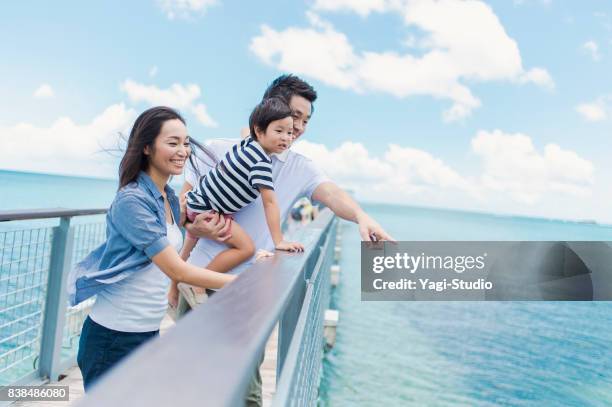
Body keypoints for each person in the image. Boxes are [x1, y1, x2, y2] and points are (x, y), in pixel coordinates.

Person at [175, 75, 393, 407]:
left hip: (248, 290)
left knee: (245, 393)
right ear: (269, 110)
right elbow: (182, 211)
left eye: (306, 121)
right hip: (200, 279)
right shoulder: (218, 150)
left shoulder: (298, 167)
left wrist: (361, 216)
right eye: (295, 117)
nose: (300, 127)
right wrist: (196, 227)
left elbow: (331, 194)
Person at [67, 106, 236, 391]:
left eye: (185, 143)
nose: (183, 150)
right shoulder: (131, 200)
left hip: (145, 334)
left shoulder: (168, 197)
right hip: (113, 339)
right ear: (146, 147)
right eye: (172, 143)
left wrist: (196, 229)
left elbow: (167, 246)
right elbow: (175, 268)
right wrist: (239, 282)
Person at [177, 98, 304, 303]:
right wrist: (279, 241)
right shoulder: (261, 163)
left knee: (186, 251)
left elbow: (246, 130)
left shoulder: (249, 143)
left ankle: (173, 290)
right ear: (259, 131)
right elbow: (270, 203)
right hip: (207, 210)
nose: (286, 138)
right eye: (279, 131)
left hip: (199, 202)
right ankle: (197, 283)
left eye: (289, 133)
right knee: (246, 249)